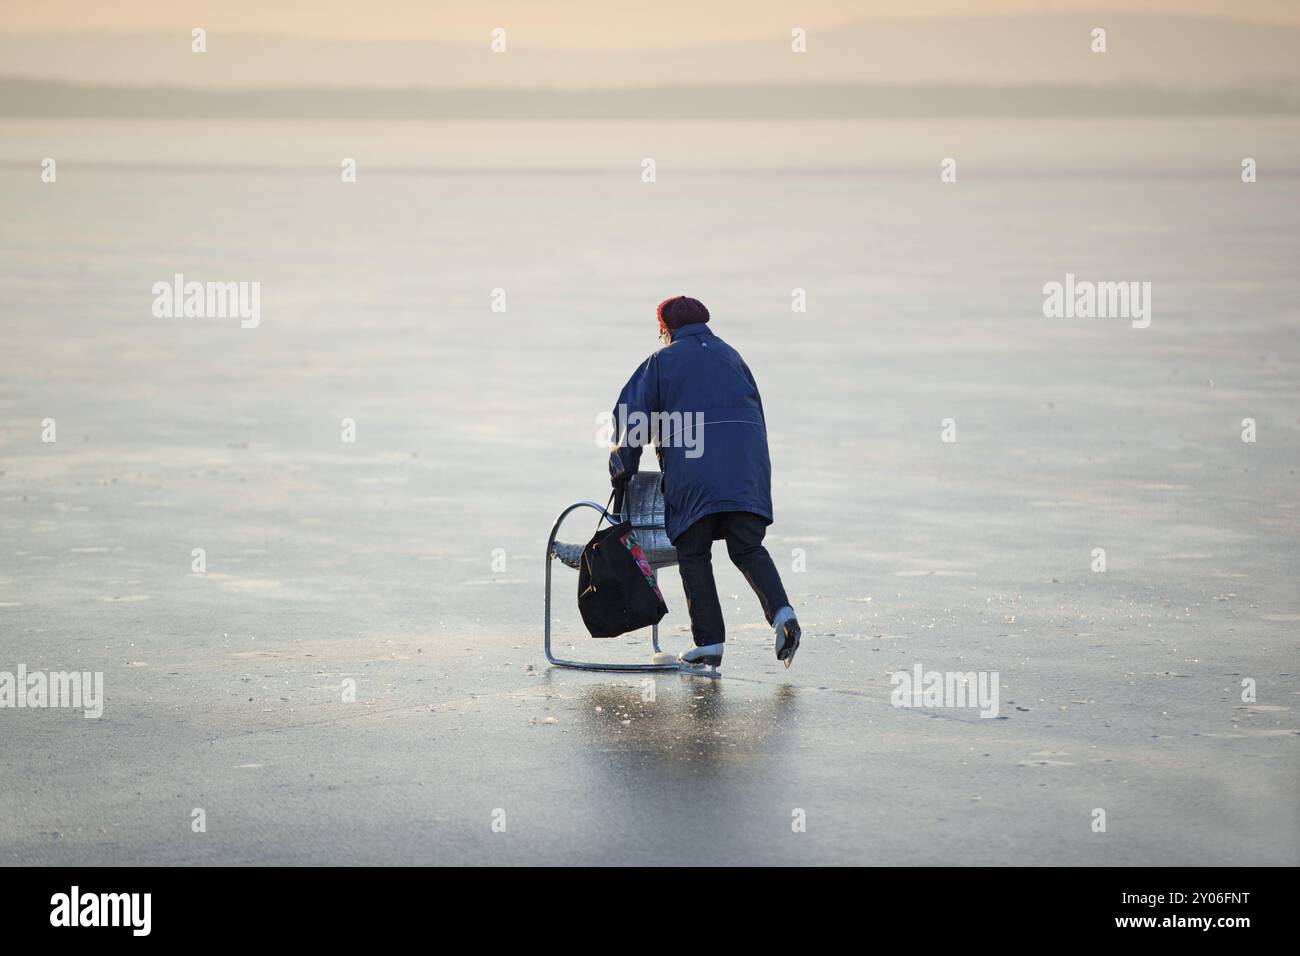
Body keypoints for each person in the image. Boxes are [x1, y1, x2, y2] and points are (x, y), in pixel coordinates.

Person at [607, 296, 801, 671]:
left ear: (666, 329)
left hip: (696, 473)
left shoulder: (661, 362)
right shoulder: (733, 356)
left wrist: (622, 466)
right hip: (748, 471)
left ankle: (709, 642)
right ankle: (783, 615)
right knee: (747, 548)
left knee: (694, 552)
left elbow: (633, 419)